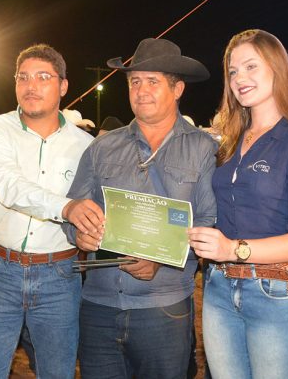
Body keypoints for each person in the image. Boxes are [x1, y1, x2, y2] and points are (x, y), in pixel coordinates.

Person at [65, 38, 216, 378]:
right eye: (135, 81)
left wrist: (161, 260)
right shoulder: (101, 147)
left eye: (152, 81)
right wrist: (78, 232)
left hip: (163, 308)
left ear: (177, 89)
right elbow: (74, 208)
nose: (141, 90)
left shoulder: (203, 149)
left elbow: (209, 220)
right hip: (99, 306)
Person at [188, 29, 288, 378]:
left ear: (276, 68)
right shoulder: (228, 142)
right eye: (233, 71)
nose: (240, 79)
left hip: (276, 291)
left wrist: (232, 249)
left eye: (251, 66)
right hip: (219, 287)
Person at [0, 44, 103, 378]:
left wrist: (88, 232)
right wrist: (67, 208)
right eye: (23, 77)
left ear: (63, 86)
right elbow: (9, 186)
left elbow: (96, 207)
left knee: (57, 371)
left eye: (43, 77)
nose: (31, 86)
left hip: (60, 275)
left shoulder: (87, 147)